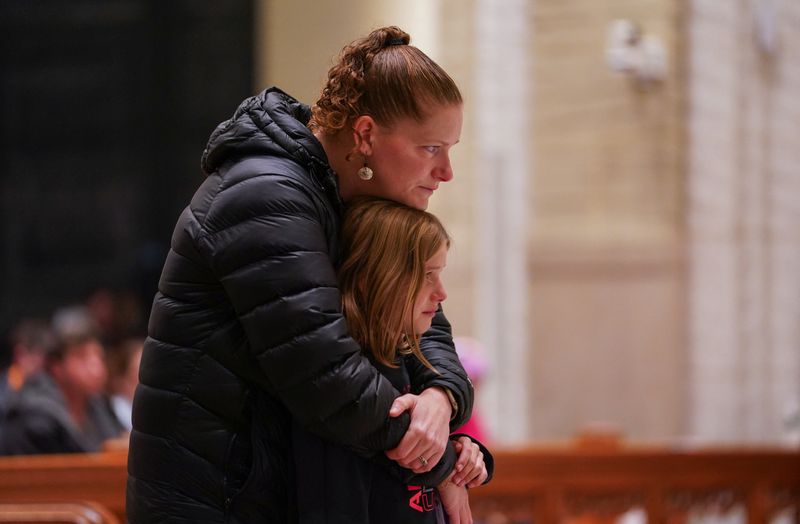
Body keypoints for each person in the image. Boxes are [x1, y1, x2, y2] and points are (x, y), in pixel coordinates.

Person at [127, 26, 473, 523]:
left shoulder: (343, 197)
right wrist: (437, 464)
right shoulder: (266, 193)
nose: (447, 172)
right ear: (366, 134)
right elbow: (326, 377)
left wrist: (440, 396)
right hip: (211, 501)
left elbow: (422, 318)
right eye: (430, 148)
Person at [293, 197, 493, 523]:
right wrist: (442, 463)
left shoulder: (408, 359)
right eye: (427, 275)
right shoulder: (346, 379)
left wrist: (462, 451)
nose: (441, 293)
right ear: (375, 280)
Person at [0, 325, 123, 455]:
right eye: (81, 356)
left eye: (99, 357)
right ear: (56, 367)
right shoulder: (33, 415)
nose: (96, 366)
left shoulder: (100, 405)